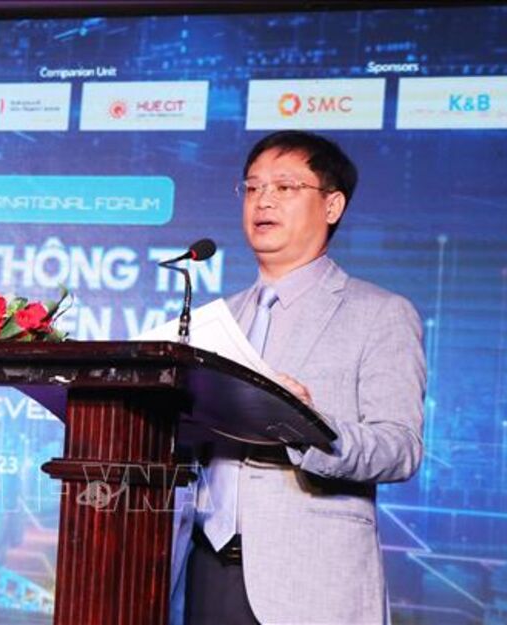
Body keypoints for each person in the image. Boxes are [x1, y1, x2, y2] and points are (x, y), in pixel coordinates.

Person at [169, 130, 426, 624]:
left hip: (311, 580)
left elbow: (401, 447)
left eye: (285, 187)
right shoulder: (214, 320)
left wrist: (305, 425)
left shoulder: (381, 313)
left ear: (332, 206)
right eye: (252, 187)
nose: (263, 200)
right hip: (205, 565)